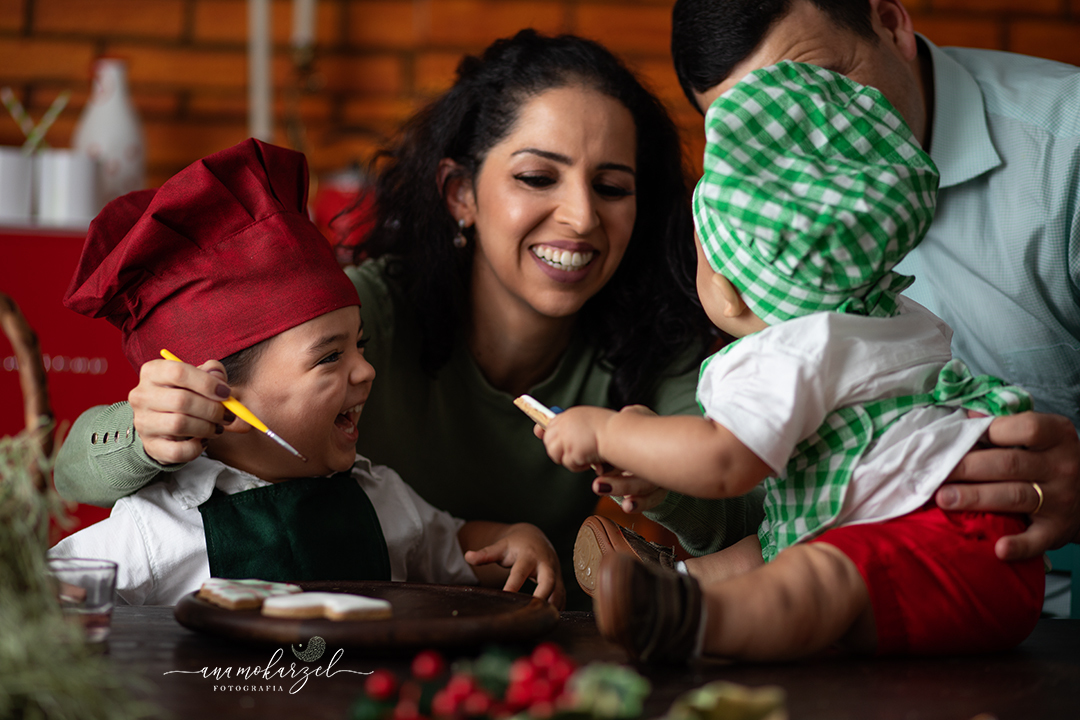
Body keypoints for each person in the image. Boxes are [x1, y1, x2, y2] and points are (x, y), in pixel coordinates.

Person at [50, 31, 763, 608]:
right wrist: (150, 431)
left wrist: (659, 477)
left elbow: (743, 513)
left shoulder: (655, 341)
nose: (581, 216)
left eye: (611, 187)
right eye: (536, 177)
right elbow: (73, 471)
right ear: (460, 194)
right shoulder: (358, 314)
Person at [538, 62, 1044, 662]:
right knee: (778, 545)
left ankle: (691, 621)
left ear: (728, 289)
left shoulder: (787, 351)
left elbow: (724, 464)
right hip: (981, 541)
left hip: (941, 540)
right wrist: (653, 453)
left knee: (815, 574)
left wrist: (609, 431)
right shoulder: (880, 313)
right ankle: (674, 584)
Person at [51, 138, 563, 607]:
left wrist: (514, 540)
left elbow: (458, 547)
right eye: (330, 357)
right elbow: (45, 595)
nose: (366, 371)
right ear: (223, 402)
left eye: (359, 345)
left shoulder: (381, 497)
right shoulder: (156, 531)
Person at [661, 0, 1080, 562]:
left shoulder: (1069, 154)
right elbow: (798, 496)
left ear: (890, 24)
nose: (800, 170)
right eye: (758, 137)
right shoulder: (751, 234)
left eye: (818, 91)